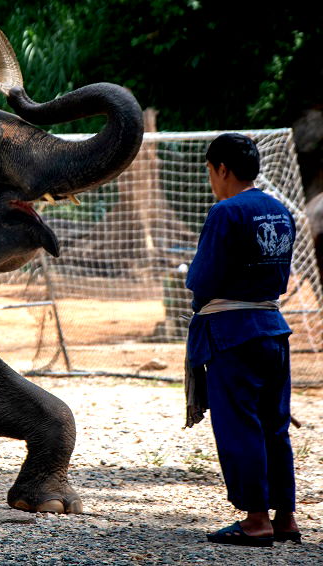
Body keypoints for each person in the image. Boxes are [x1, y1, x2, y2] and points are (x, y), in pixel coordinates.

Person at [184, 133, 301, 547]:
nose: (212, 181)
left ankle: (255, 520)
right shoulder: (280, 210)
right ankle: (285, 517)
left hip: (233, 335)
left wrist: (194, 286)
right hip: (273, 329)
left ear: (222, 169)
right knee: (275, 425)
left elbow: (201, 279)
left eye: (211, 172)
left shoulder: (225, 212)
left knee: (239, 425)